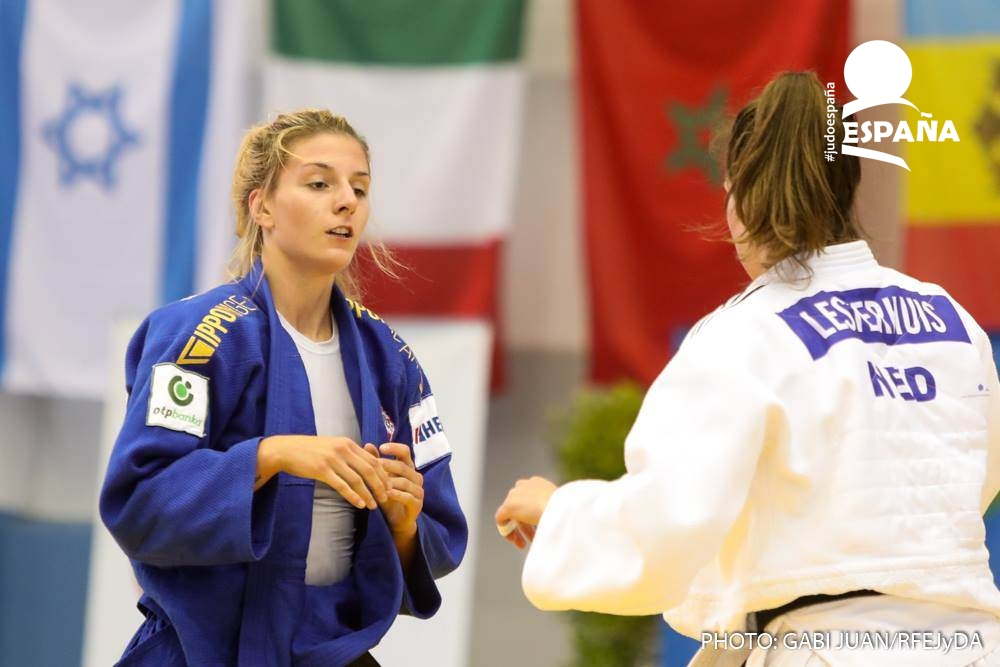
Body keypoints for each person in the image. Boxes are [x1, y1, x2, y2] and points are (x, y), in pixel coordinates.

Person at [496, 72, 1000, 666]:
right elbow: (974, 480)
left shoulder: (743, 335)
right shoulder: (950, 319)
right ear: (847, 190)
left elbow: (671, 519)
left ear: (739, 199)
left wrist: (559, 513)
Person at [100, 109, 467, 667]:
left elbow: (436, 541)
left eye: (359, 188)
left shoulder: (390, 359)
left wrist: (403, 521)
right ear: (262, 206)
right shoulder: (198, 336)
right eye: (319, 184)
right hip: (203, 651)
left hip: (331, 652)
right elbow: (140, 502)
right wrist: (272, 455)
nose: (346, 202)